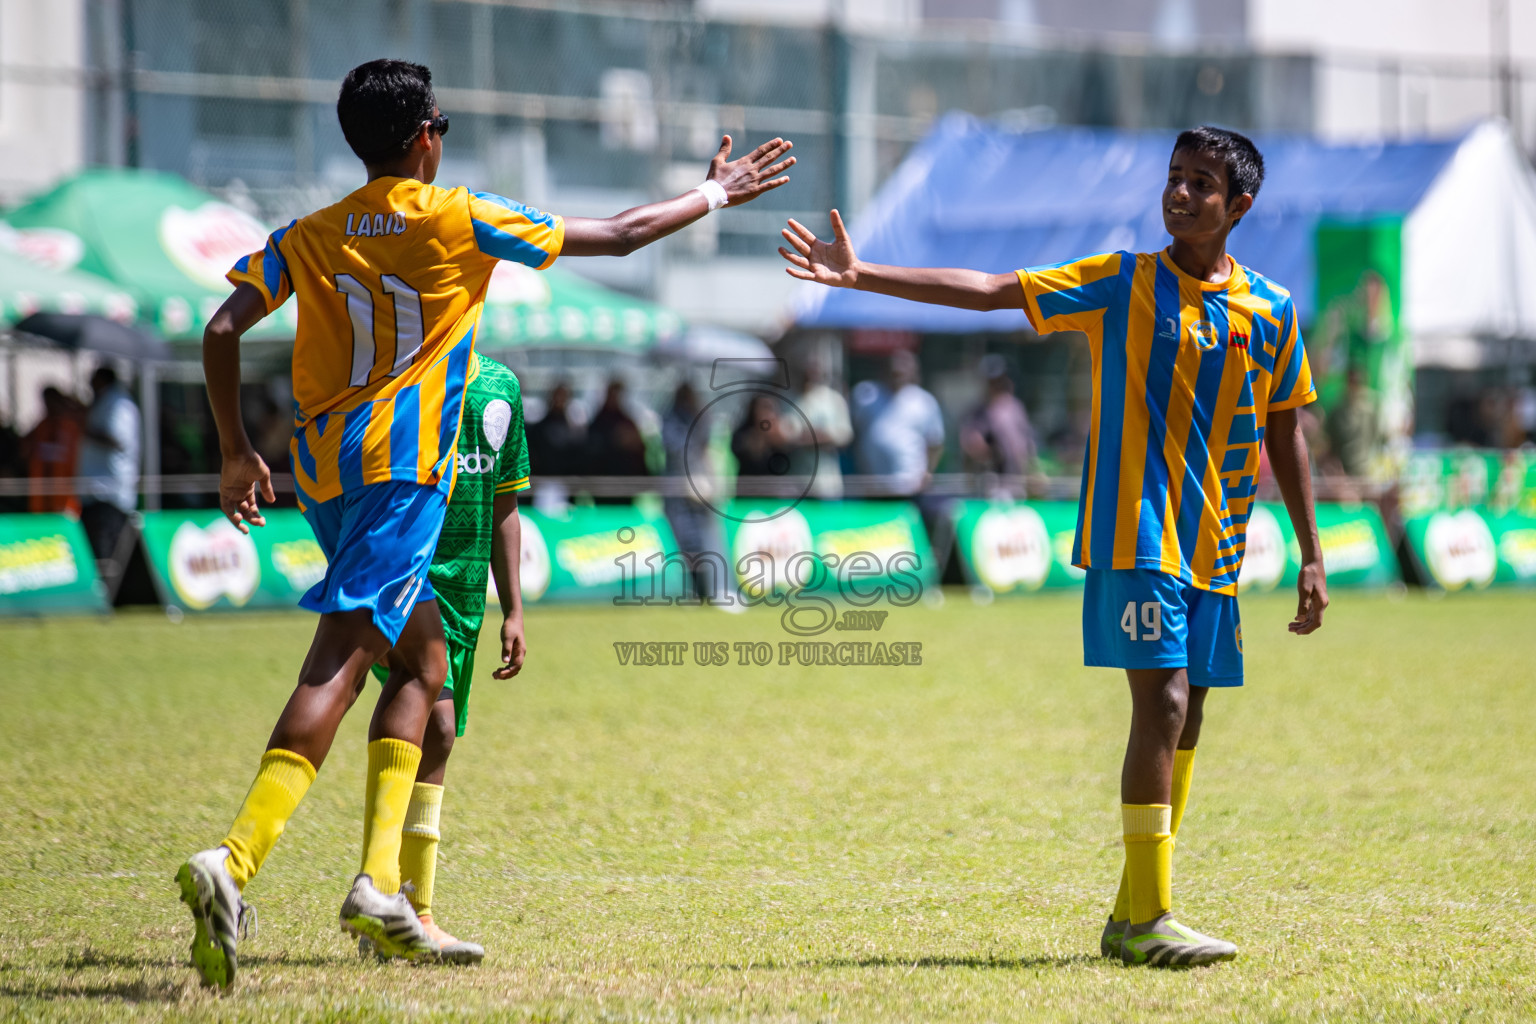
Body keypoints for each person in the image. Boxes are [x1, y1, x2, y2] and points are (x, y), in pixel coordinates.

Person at [179, 56, 793, 988]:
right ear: (425, 134)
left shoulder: (309, 232)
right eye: (443, 125)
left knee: (424, 666)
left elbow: (222, 330)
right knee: (342, 665)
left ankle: (384, 891)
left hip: (324, 474)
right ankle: (234, 859)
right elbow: (623, 235)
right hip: (398, 474)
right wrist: (712, 194)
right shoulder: (458, 215)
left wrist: (233, 449)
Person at [780, 124, 1327, 968]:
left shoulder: (1275, 308)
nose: (1179, 193)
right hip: (1135, 532)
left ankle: (1129, 916)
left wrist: (1311, 550)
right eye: (1173, 176)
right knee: (1166, 704)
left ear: (1240, 205)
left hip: (1217, 542)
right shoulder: (1121, 281)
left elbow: (1287, 426)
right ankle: (1151, 923)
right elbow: (994, 289)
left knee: (1192, 718)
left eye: (1201, 184)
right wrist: (863, 275)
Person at [361, 352, 530, 964]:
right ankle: (408, 908)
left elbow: (506, 501)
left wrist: (511, 607)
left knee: (440, 736)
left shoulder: (500, 386)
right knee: (434, 723)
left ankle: (388, 905)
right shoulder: (403, 372)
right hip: (405, 575)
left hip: (465, 597)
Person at [849, 350, 943, 499]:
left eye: (904, 366)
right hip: (872, 487)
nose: (899, 370)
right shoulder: (865, 395)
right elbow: (854, 432)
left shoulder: (924, 401)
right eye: (894, 366)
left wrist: (928, 472)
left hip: (909, 487)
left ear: (914, 370)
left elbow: (935, 443)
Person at [77, 367, 141, 564]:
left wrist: (83, 428)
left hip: (111, 492)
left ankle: (109, 590)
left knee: (108, 551)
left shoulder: (119, 404)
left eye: (93, 379)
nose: (89, 384)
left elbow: (118, 440)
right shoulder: (104, 401)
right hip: (95, 491)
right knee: (94, 548)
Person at [959, 355, 1036, 494]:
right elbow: (971, 445)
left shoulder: (1016, 408)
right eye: (992, 381)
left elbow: (1027, 445)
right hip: (994, 485)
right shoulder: (979, 413)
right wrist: (988, 451)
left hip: (1018, 483)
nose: (998, 384)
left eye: (1000, 380)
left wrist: (1033, 471)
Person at [794, 356, 853, 499]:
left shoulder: (832, 399)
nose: (811, 374)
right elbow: (789, 435)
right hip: (797, 481)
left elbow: (845, 434)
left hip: (827, 481)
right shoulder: (793, 398)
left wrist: (813, 437)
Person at [585, 379, 649, 504]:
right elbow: (591, 450)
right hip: (603, 484)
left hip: (625, 485)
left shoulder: (627, 422)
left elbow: (641, 449)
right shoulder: (598, 423)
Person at [22, 386, 83, 514]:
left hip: (66, 492)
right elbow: (24, 448)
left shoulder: (71, 427)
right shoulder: (42, 426)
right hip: (41, 491)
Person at [525, 380, 586, 478]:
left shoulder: (574, 429)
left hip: (568, 478)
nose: (560, 399)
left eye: (563, 396)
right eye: (557, 395)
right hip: (545, 478)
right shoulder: (540, 428)